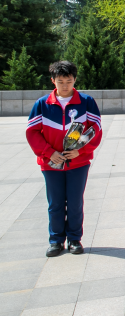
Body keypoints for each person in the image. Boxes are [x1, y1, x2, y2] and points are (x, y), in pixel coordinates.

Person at [26, 61, 103, 257]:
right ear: (53, 81)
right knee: (56, 203)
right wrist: (48, 152)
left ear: (75, 79)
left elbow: (96, 129)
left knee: (75, 202)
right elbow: (32, 132)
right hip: (51, 163)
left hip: (78, 163)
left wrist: (81, 152)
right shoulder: (42, 104)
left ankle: (74, 239)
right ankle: (56, 241)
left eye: (69, 81)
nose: (65, 86)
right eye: (60, 82)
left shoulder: (86, 102)